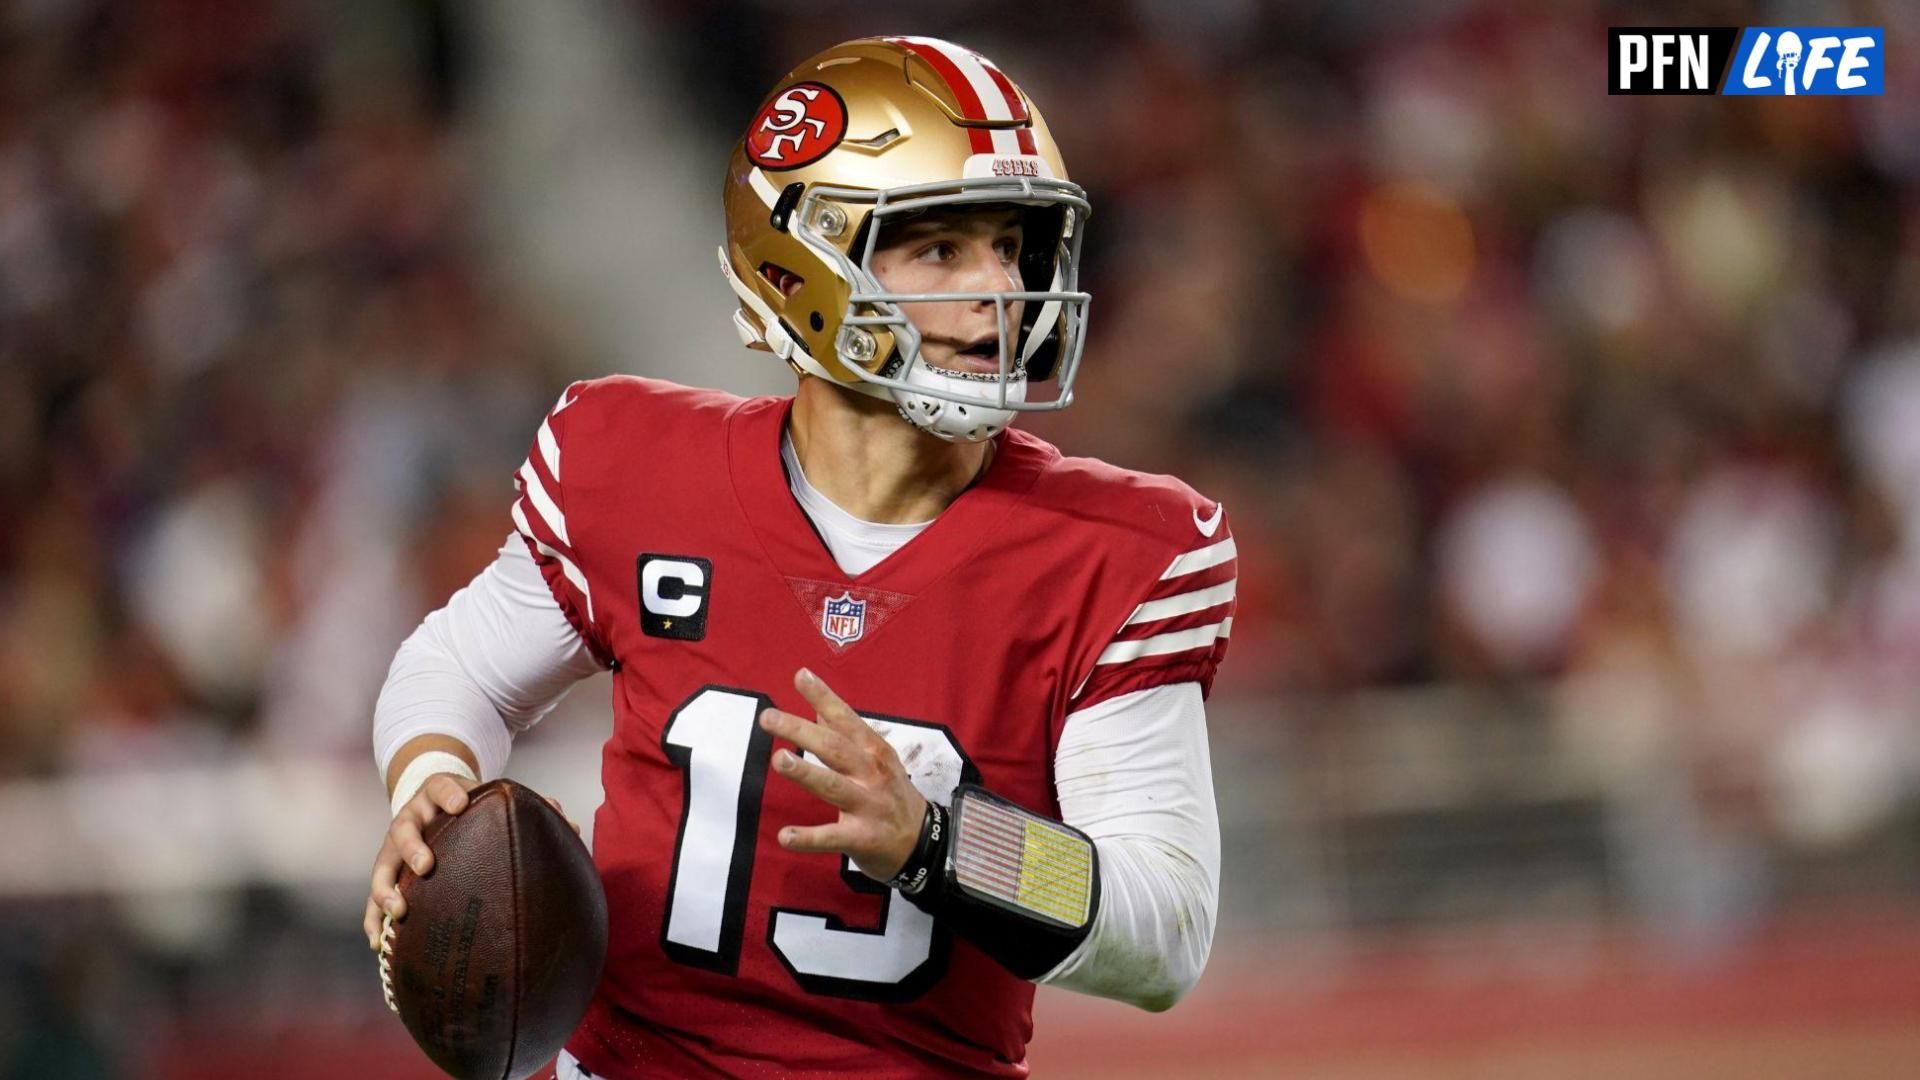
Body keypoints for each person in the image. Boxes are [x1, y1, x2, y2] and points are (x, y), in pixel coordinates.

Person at [364, 35, 1234, 1079]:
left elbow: (1166, 931)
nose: (1000, 287)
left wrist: (941, 841)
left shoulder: (1110, 554)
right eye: (941, 249)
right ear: (808, 266)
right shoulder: (633, 466)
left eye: (1013, 246)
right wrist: (434, 783)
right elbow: (454, 668)